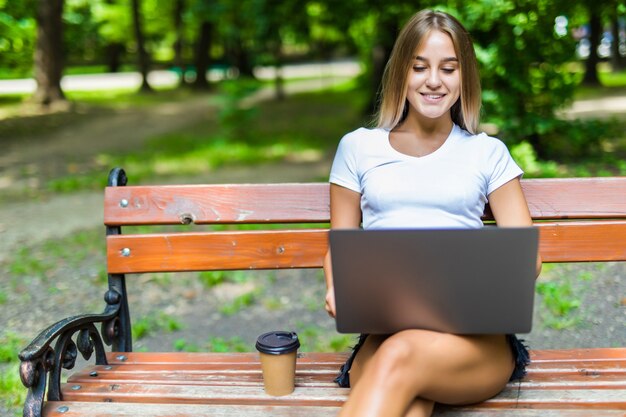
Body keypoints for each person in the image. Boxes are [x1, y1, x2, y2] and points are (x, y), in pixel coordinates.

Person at [322, 9, 543, 417]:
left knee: (402, 363)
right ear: (401, 73)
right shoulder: (357, 148)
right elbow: (341, 244)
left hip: (474, 346)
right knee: (409, 393)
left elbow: (526, 256)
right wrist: (338, 288)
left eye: (449, 68)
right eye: (419, 67)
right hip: (386, 336)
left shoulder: (486, 152)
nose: (434, 81)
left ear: (465, 77)